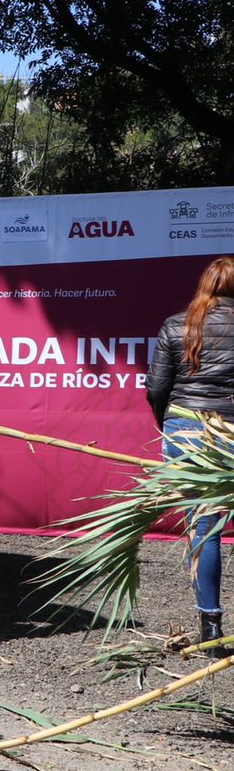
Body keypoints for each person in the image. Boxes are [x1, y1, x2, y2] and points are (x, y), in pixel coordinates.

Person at [146, 256, 234, 659]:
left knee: (205, 527)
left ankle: (210, 626)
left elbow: (157, 388)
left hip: (186, 430)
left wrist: (169, 426)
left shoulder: (175, 324)